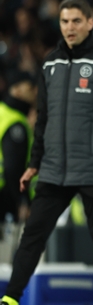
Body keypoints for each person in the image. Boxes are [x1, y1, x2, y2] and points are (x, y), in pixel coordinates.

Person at [0, 0, 93, 305]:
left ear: (90, 23)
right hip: (53, 169)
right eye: (64, 21)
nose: (69, 27)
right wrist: (34, 163)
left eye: (76, 21)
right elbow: (43, 120)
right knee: (33, 235)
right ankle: (9, 301)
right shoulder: (50, 64)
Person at [0, 72, 37, 223]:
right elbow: (13, 167)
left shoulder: (2, 111)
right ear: (16, 90)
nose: (35, 91)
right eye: (30, 87)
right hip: (5, 196)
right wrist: (22, 199)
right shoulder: (16, 123)